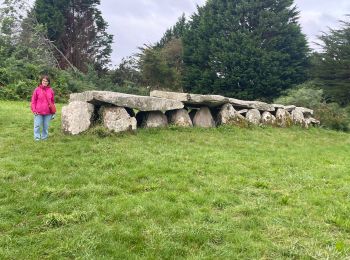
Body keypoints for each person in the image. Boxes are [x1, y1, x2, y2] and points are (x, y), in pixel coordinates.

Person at [30, 75, 56, 141]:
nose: (45, 82)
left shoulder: (51, 90)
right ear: (41, 81)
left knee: (46, 126)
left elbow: (52, 102)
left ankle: (44, 138)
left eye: (46, 81)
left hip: (48, 112)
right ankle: (37, 138)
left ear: (48, 82)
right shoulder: (37, 90)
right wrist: (34, 110)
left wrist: (53, 112)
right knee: (37, 126)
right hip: (38, 112)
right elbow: (33, 101)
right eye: (43, 80)